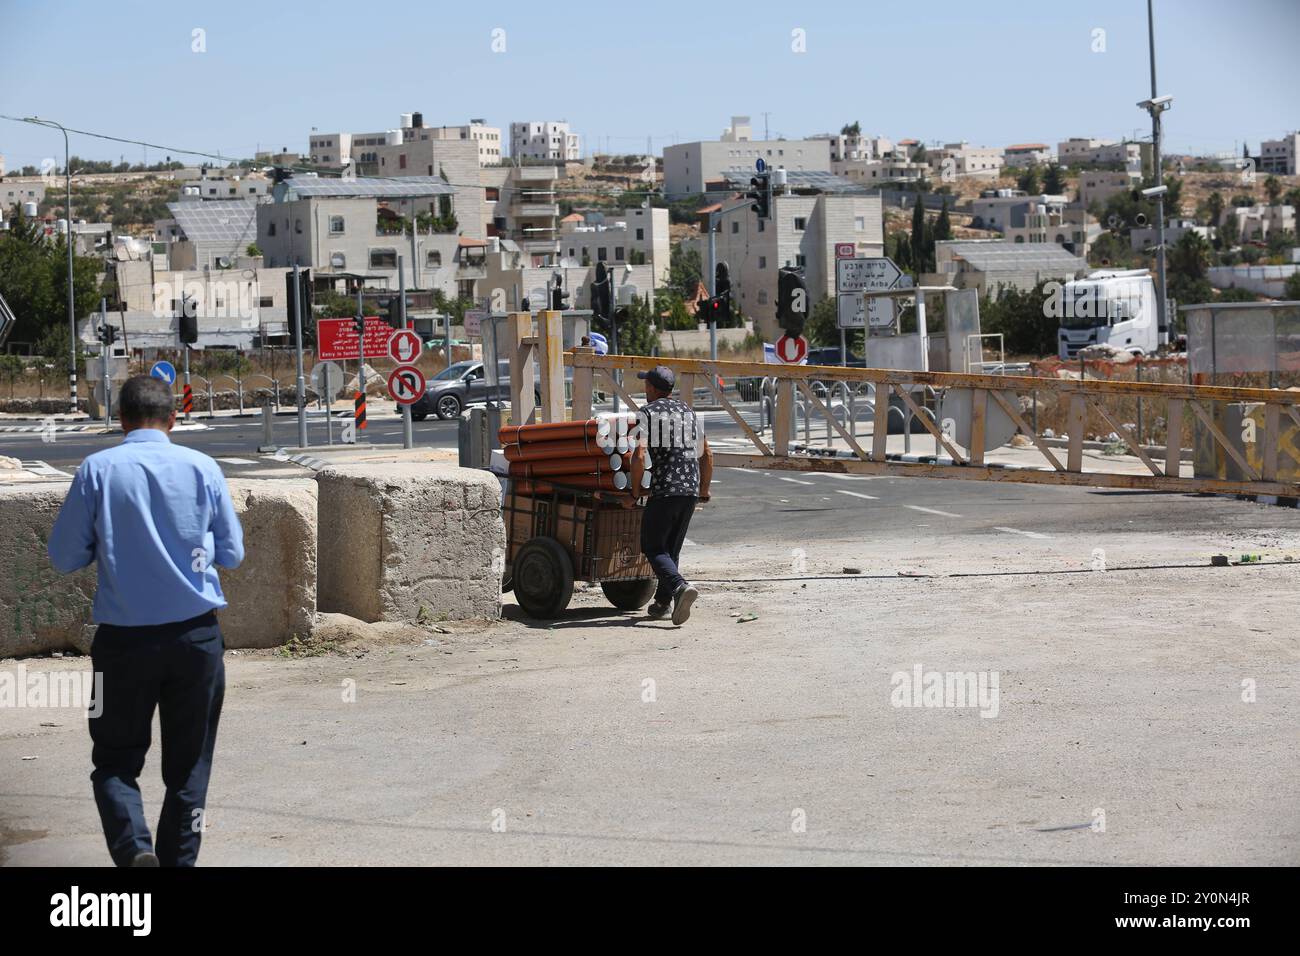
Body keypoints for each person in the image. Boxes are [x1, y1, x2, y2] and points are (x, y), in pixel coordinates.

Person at [48, 375, 244, 867]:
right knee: (189, 769)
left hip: (123, 645)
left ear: (121, 420)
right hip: (196, 638)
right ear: (173, 419)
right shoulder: (203, 467)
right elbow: (233, 554)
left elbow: (63, 557)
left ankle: (134, 848)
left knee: (114, 761)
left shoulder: (97, 469)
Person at [628, 365, 712, 625]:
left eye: (646, 385)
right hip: (689, 491)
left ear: (652, 388)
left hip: (665, 489)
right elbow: (706, 454)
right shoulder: (688, 411)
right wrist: (704, 490)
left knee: (653, 546)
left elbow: (639, 455)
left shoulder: (647, 413)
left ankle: (679, 587)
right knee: (670, 550)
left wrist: (635, 490)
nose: (644, 389)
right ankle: (663, 603)